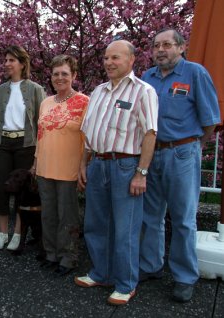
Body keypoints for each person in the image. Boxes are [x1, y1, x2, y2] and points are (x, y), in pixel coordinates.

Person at [139, 28, 220, 303]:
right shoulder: (146, 78)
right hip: (151, 154)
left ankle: (185, 277)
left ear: (181, 47)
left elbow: (210, 120)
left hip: (182, 153)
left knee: (184, 219)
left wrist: (192, 146)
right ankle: (151, 266)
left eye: (167, 45)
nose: (160, 50)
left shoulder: (195, 73)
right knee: (151, 216)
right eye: (156, 45)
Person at [74, 40, 158, 305]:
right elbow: (89, 133)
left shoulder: (143, 92)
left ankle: (126, 283)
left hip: (125, 166)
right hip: (98, 163)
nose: (109, 62)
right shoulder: (98, 91)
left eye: (116, 58)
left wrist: (141, 173)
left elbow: (150, 134)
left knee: (125, 229)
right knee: (96, 224)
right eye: (107, 58)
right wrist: (83, 164)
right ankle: (101, 273)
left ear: (132, 60)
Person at [33, 55, 89, 276]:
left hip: (68, 167)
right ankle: (51, 253)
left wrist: (84, 165)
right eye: (56, 73)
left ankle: (68, 256)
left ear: (74, 75)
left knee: (67, 214)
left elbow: (88, 138)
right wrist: (36, 161)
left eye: (65, 73)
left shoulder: (84, 102)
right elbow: (40, 134)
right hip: (45, 166)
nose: (60, 77)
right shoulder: (46, 102)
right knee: (48, 213)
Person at [0, 46, 45, 251]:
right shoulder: (1, 89)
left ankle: (18, 234)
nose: (7, 64)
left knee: (23, 191)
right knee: (1, 189)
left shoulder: (36, 89)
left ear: (22, 63)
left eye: (11, 60)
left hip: (26, 145)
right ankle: (2, 232)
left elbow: (42, 122)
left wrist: (39, 152)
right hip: (3, 144)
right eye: (5, 60)